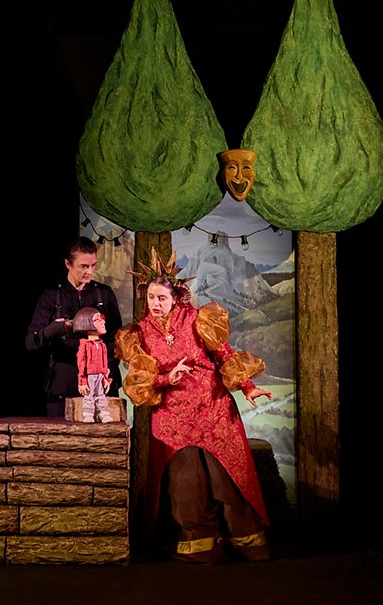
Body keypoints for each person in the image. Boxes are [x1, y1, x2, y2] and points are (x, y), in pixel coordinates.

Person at [116, 248, 273, 564]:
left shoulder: (198, 320)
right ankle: (200, 546)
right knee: (186, 484)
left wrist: (248, 386)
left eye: (162, 298)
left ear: (176, 297)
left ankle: (248, 543)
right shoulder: (139, 334)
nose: (156, 304)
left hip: (212, 408)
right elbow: (139, 381)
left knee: (225, 478)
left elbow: (224, 354)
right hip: (172, 419)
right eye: (151, 298)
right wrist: (166, 378)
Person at [26, 236, 122, 417]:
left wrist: (107, 369)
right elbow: (31, 342)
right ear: (67, 264)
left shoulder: (104, 294)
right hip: (63, 386)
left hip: (101, 385)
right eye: (84, 266)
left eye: (93, 265)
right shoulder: (52, 296)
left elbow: (117, 340)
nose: (89, 272)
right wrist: (52, 330)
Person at [73, 307, 113, 423]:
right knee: (89, 395)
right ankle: (88, 414)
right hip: (89, 375)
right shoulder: (85, 345)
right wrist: (82, 381)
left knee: (101, 394)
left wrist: (105, 377)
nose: (103, 322)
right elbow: (81, 363)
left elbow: (104, 362)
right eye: (98, 319)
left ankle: (103, 413)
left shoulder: (102, 345)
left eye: (102, 318)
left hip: (100, 374)